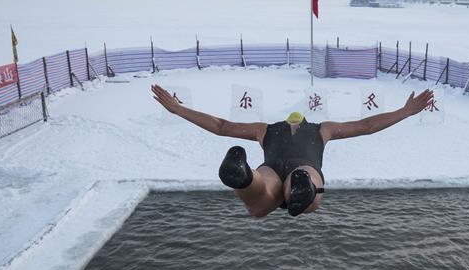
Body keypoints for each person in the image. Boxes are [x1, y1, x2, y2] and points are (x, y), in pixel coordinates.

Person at [151, 84, 435, 217]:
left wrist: (179, 110)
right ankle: (301, 187)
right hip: (302, 169)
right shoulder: (322, 129)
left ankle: (247, 177)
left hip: (271, 171)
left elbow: (222, 127)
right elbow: (365, 126)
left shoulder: (265, 130)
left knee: (261, 195)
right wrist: (404, 112)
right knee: (304, 175)